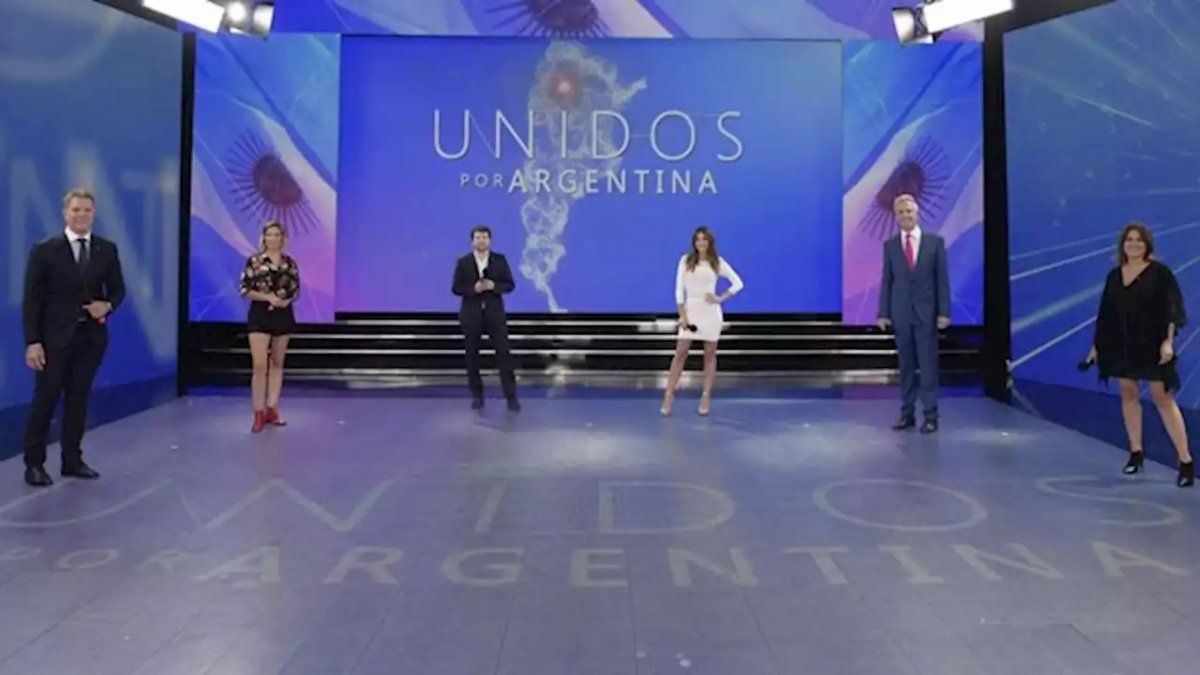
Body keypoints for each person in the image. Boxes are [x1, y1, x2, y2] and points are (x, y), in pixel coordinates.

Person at [21, 188, 125, 487]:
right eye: (76, 210)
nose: (81, 215)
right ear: (65, 213)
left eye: (87, 210)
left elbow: (117, 290)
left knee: (78, 399)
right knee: (46, 399)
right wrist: (33, 342)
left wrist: (107, 305)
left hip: (89, 339)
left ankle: (72, 459)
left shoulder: (106, 249)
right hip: (53, 339)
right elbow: (32, 300)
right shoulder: (45, 250)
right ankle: (34, 464)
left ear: (94, 214)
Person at [1083, 222, 1192, 487]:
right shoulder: (1114, 276)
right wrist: (1097, 346)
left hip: (1152, 344)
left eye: (1139, 240)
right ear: (1123, 245)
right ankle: (1135, 452)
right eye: (1129, 240)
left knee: (1162, 398)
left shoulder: (1161, 273)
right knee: (1128, 393)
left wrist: (1168, 342)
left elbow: (1172, 310)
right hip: (1122, 344)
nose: (1134, 244)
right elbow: (1105, 314)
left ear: (1147, 245)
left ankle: (1185, 461)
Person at [876, 193, 950, 434]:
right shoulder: (890, 246)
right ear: (896, 217)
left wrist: (943, 312)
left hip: (927, 315)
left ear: (916, 213)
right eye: (901, 212)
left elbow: (942, 280)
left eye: (909, 211)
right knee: (906, 366)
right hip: (900, 314)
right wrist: (883, 312)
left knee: (928, 365)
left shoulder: (934, 242)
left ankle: (930, 416)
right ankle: (907, 413)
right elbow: (887, 281)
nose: (905, 215)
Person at [660, 226, 744, 416]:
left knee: (710, 355)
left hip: (710, 313)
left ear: (709, 241)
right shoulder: (686, 260)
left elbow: (738, 283)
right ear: (694, 242)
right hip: (691, 310)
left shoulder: (717, 262)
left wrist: (720, 298)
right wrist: (682, 314)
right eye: (698, 239)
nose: (701, 242)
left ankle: (706, 396)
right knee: (680, 352)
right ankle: (668, 394)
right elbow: (679, 289)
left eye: (704, 239)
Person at [238, 221, 300, 433]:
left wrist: (285, 300)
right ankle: (258, 411)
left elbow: (295, 289)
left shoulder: (289, 263)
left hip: (283, 314)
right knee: (259, 365)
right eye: (269, 234)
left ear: (283, 238)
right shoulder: (255, 261)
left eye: (277, 235)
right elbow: (244, 289)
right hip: (260, 314)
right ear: (263, 238)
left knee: (277, 362)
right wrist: (267, 298)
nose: (273, 238)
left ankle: (273, 407)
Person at [452, 225, 519, 411]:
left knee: (504, 356)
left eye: (484, 237)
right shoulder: (463, 262)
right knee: (472, 357)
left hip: (494, 315)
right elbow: (456, 288)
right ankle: (477, 397)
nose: (481, 240)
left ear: (490, 240)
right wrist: (472, 289)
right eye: (478, 237)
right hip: (471, 315)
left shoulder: (500, 260)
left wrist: (493, 286)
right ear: (472, 241)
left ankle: (511, 398)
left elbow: (509, 285)